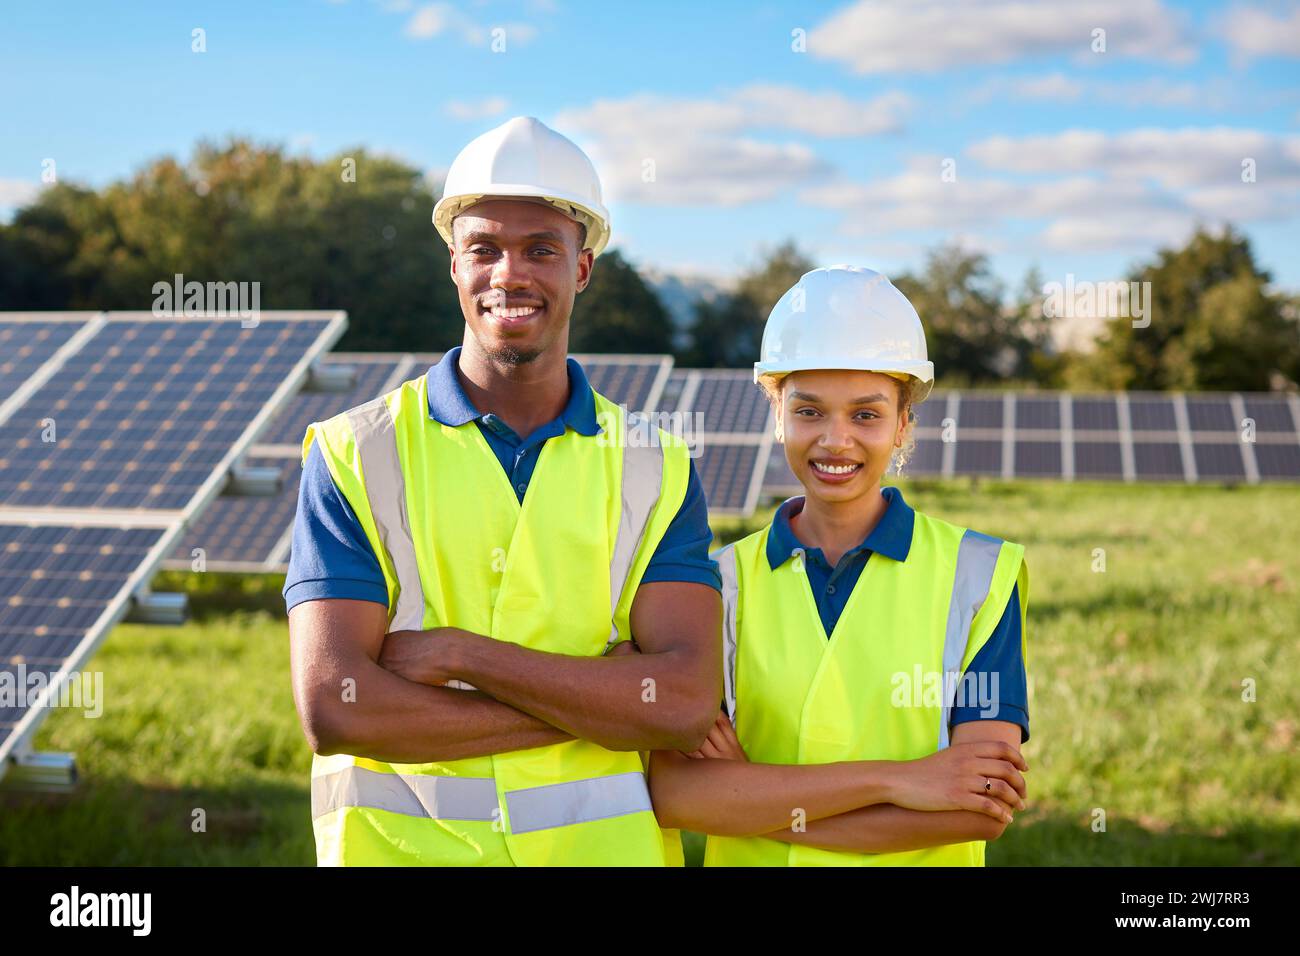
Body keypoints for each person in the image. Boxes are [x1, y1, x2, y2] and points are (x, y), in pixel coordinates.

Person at [284, 116, 721, 866]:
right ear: (453, 264)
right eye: (483, 248)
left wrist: (463, 655)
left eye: (541, 250)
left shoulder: (655, 465)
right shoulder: (355, 451)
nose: (509, 275)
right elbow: (337, 706)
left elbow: (682, 702)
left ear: (582, 269)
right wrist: (609, 703)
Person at [641, 265, 1031, 866]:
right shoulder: (715, 584)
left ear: (904, 424)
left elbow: (977, 806)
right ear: (777, 415)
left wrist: (750, 799)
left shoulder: (980, 575)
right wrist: (901, 781)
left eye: (867, 415)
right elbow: (676, 796)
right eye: (810, 411)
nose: (835, 440)